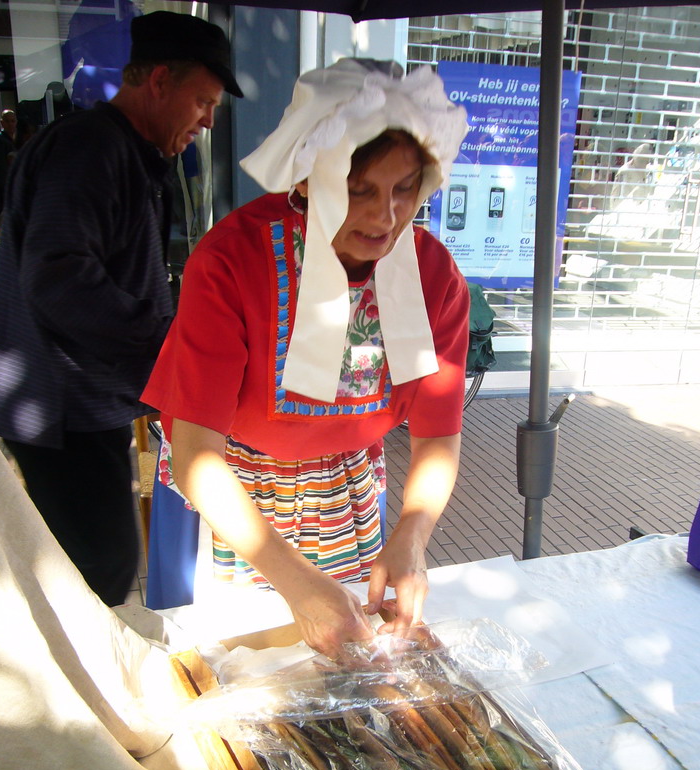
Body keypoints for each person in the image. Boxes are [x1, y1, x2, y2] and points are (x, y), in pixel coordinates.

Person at [141, 59, 470, 659]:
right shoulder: (230, 262)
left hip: (345, 493)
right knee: (236, 666)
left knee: (346, 661)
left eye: (405, 189)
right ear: (306, 179)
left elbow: (438, 437)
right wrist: (294, 582)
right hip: (231, 498)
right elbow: (196, 456)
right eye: (358, 188)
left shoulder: (435, 278)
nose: (385, 215)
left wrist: (413, 535)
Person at [0, 12, 242, 607]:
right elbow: (60, 277)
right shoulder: (91, 149)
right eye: (203, 100)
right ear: (159, 83)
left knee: (91, 561)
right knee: (101, 567)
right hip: (61, 408)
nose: (209, 120)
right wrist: (169, 343)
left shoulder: (120, 149)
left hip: (73, 403)